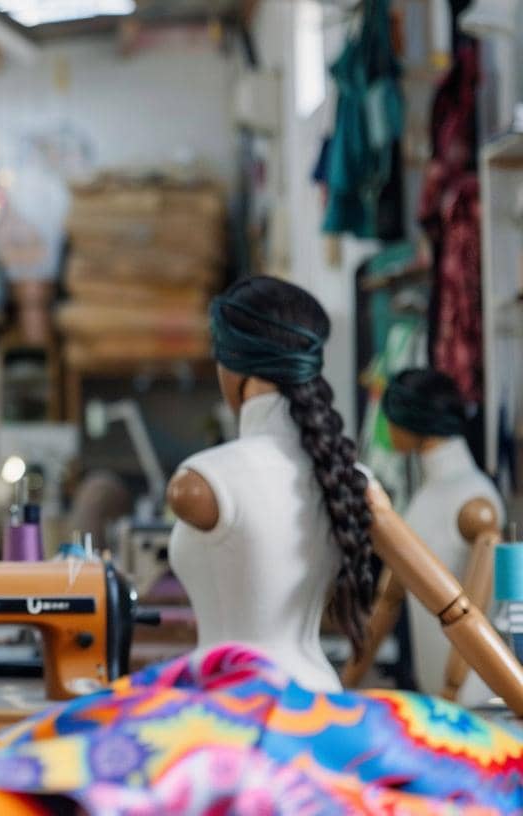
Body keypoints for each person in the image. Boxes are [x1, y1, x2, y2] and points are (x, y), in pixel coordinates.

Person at [166, 276, 374, 691]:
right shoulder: (352, 479)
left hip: (234, 710)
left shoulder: (200, 483)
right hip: (319, 706)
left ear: (232, 366)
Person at [382, 368, 503, 704]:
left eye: (390, 418)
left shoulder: (474, 500)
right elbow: (391, 597)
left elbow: (474, 612)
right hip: (436, 691)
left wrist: (450, 690)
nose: (386, 430)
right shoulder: (430, 495)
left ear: (412, 417)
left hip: (470, 695)